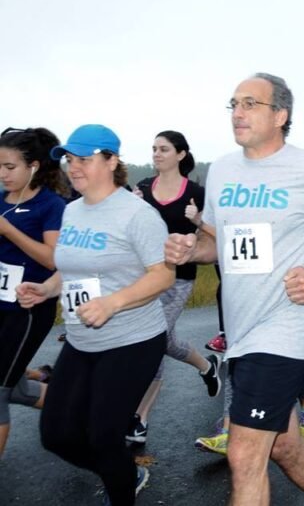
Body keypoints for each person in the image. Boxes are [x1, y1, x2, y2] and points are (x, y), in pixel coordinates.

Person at [164, 73, 304, 506]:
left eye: (250, 104)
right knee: (283, 445)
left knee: (244, 454)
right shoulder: (221, 169)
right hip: (241, 329)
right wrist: (189, 249)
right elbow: (218, 244)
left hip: (286, 327)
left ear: (280, 115)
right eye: (233, 104)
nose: (238, 112)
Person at [17, 124, 174, 505]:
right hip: (82, 339)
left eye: (84, 159)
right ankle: (124, 471)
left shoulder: (137, 214)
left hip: (132, 340)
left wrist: (113, 302)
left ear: (112, 161)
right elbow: (70, 269)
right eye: (70, 160)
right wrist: (47, 289)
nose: (75, 167)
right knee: (55, 435)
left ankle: (120, 489)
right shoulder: (71, 211)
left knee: (103, 435)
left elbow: (164, 275)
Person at [125, 130, 220, 444]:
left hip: (180, 275)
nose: (156, 154)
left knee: (157, 339)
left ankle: (140, 417)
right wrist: (130, 207)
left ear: (180, 154)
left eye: (163, 149)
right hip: (145, 275)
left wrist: (197, 221)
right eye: (153, 148)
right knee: (160, 339)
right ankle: (206, 366)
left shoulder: (197, 192)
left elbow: (216, 237)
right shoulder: (140, 189)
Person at [0, 127, 67, 457]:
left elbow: (54, 258)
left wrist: (8, 230)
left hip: (28, 309)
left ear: (34, 167)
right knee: (13, 385)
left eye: (10, 167)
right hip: (0, 304)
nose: (2, 174)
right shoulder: (0, 200)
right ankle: (75, 409)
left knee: (0, 390)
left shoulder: (50, 205)